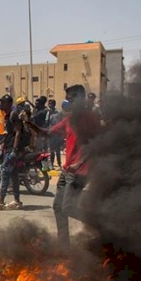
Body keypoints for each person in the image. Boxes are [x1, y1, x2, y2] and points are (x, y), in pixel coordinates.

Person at [26, 84, 99, 246]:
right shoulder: (69, 119)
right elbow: (48, 133)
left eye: (70, 99)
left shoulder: (89, 118)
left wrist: (79, 162)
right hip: (67, 170)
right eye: (66, 99)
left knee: (68, 207)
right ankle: (64, 246)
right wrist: (30, 124)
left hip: (81, 171)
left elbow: (96, 143)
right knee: (58, 207)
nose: (67, 102)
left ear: (80, 99)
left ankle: (98, 223)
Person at [0, 96, 33, 212]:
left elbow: (18, 132)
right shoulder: (8, 115)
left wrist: (14, 150)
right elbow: (9, 134)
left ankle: (1, 202)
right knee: (13, 174)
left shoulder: (13, 114)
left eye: (3, 103)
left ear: (8, 103)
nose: (1, 105)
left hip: (12, 150)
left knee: (5, 173)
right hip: (9, 148)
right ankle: (17, 201)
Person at [47, 99, 64, 168]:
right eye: (49, 103)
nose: (50, 105)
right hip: (50, 133)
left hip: (57, 134)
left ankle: (59, 163)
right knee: (51, 150)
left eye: (51, 103)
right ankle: (51, 163)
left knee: (57, 150)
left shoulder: (58, 113)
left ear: (54, 104)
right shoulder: (48, 113)